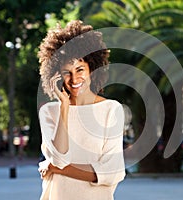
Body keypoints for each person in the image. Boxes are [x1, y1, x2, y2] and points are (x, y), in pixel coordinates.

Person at [37, 20, 126, 200]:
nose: (74, 78)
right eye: (66, 72)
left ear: (92, 68)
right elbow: (59, 159)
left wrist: (57, 169)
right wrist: (64, 107)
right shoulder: (49, 112)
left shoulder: (111, 109)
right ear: (56, 76)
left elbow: (113, 171)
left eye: (80, 69)